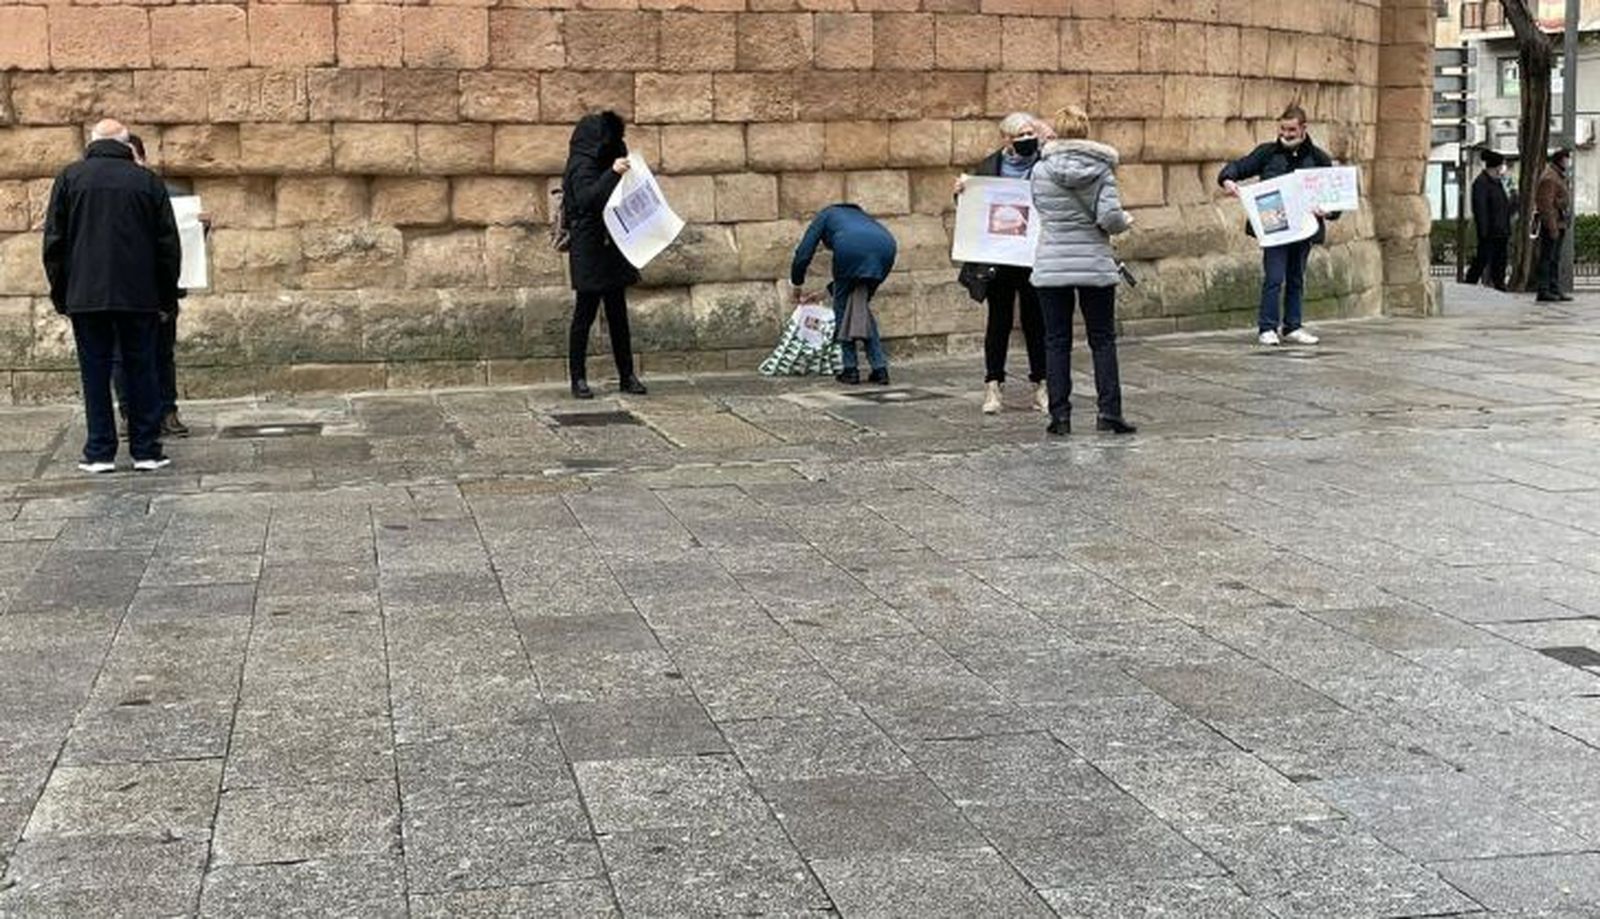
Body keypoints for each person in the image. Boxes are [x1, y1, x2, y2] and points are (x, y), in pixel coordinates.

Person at [42, 119, 180, 473]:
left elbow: (54, 244)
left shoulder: (70, 178)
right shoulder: (147, 181)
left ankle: (100, 450)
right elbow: (168, 246)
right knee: (142, 368)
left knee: (95, 371)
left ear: (93, 142)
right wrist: (166, 296)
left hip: (86, 295)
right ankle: (146, 449)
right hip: (139, 294)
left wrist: (62, 295)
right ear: (125, 143)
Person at [1030, 105, 1136, 437]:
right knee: (1102, 339)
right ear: (1086, 131)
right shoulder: (1103, 171)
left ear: (1058, 132)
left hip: (1052, 263)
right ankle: (1109, 412)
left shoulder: (1040, 171)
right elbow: (1110, 219)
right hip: (1093, 263)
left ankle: (1059, 416)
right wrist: (1126, 221)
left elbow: (1041, 209)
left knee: (1056, 340)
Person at [1219, 103, 1339, 346]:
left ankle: (1292, 326)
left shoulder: (1318, 158)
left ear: (1303, 128)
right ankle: (1267, 327)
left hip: (1304, 229)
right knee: (1274, 277)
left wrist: (1328, 211)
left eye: (1291, 130)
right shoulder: (1267, 153)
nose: (1286, 134)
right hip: (1275, 227)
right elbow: (1240, 167)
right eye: (1283, 129)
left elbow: (1334, 197)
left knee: (1296, 278)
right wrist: (1227, 179)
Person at [954, 112, 1048, 415]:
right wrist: (962, 193)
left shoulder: (1045, 164)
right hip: (999, 257)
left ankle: (1042, 385)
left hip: (1033, 256)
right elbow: (976, 208)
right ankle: (993, 385)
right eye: (1019, 135)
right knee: (999, 321)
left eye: (1030, 133)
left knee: (1037, 322)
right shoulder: (987, 168)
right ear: (1006, 139)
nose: (1026, 140)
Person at [563, 110, 647, 399]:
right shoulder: (580, 165)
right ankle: (578, 379)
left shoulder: (604, 160)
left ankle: (627, 375)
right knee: (584, 313)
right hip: (589, 246)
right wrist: (613, 173)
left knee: (618, 314)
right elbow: (588, 199)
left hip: (613, 243)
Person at [111, 134, 191, 437]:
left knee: (162, 351)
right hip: (123, 288)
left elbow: (181, 243)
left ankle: (167, 409)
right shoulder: (110, 197)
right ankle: (130, 412)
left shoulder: (169, 194)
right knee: (122, 355)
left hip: (160, 288)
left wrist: (200, 228)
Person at [790, 203, 897, 385]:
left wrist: (797, 283)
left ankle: (850, 369)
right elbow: (848, 278)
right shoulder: (860, 217)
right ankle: (880, 369)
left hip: (850, 250)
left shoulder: (825, 214)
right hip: (886, 249)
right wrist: (823, 293)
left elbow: (803, 253)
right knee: (860, 308)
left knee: (843, 309)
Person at [1465, 150, 1512, 291]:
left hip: (1501, 230)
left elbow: (1503, 205)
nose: (1502, 169)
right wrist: (1484, 231)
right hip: (1490, 231)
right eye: (1501, 165)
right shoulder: (1481, 183)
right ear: (1495, 166)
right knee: (1482, 259)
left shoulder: (1497, 183)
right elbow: (1481, 209)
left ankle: (1499, 284)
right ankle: (1469, 284)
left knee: (1500, 260)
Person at [1534, 148, 1574, 303]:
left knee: (1554, 258)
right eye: (1566, 159)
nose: (1568, 162)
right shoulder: (1550, 177)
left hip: (1560, 223)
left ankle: (1554, 288)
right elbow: (1545, 205)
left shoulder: (1559, 176)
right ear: (1560, 160)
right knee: (1548, 257)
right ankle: (1544, 289)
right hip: (1553, 224)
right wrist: (1552, 227)